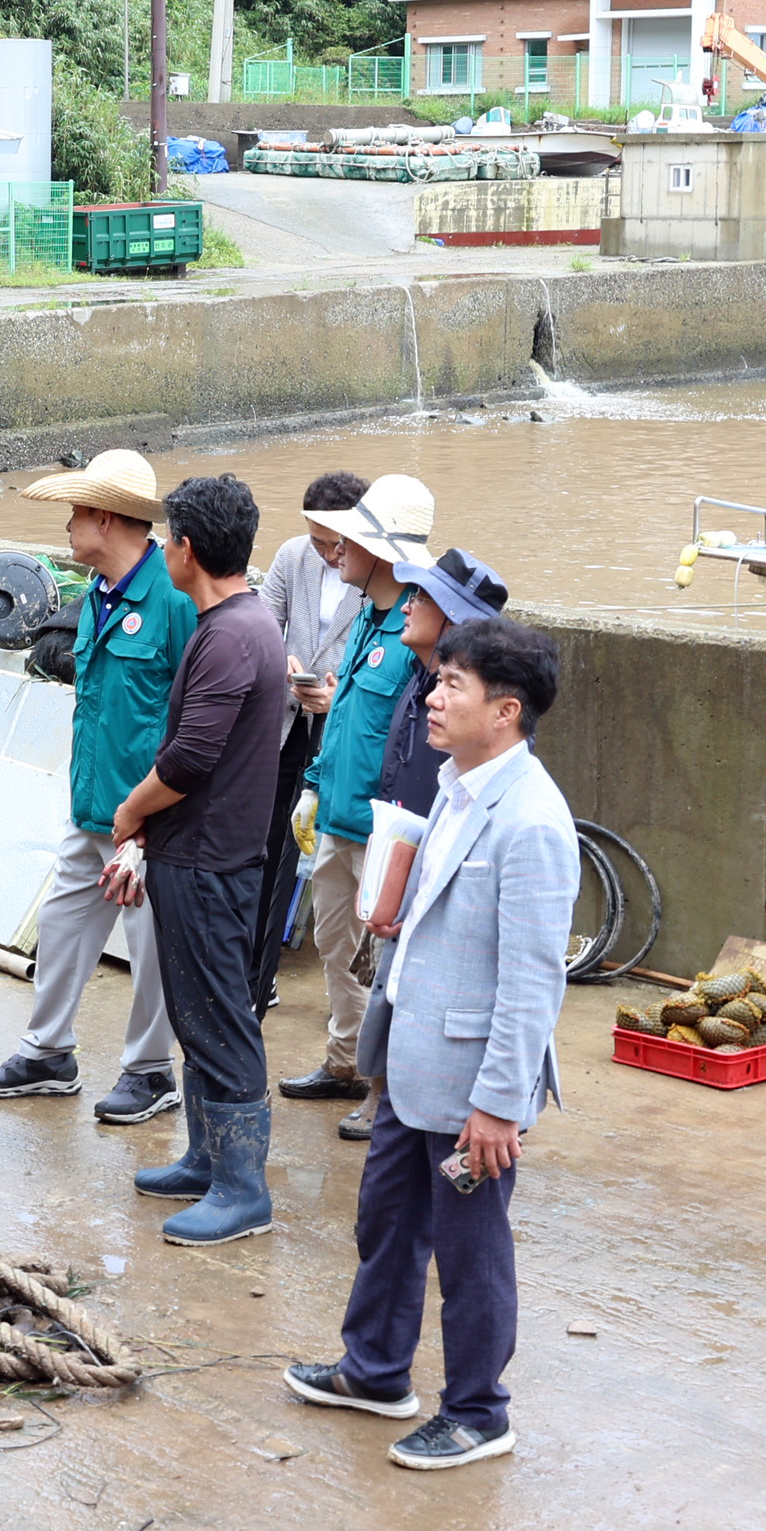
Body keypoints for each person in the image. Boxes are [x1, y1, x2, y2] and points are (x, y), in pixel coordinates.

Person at [286, 615, 577, 1471]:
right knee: (386, 1220)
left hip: (469, 1087)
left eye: (455, 685)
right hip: (408, 1062)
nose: (435, 697)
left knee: (471, 1252)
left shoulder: (531, 822)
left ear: (508, 710)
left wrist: (497, 1105)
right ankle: (375, 1370)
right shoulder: (456, 786)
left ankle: (480, 1411)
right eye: (437, 680)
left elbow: (531, 983)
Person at [0, 452, 198, 1123]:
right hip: (93, 804)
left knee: (153, 945)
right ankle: (47, 1051)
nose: (68, 527)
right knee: (64, 925)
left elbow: (197, 716)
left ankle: (152, 1071)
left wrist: (158, 818)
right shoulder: (97, 595)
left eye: (76, 514)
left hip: (150, 816)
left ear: (104, 516)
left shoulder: (173, 599)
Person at [105, 475, 293, 1244]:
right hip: (198, 851)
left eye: (167, 538)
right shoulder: (236, 623)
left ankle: (243, 1188)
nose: (163, 550)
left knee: (220, 1016)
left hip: (213, 861)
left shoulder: (230, 634)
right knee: (194, 1009)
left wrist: (129, 811)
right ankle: (206, 1159)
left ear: (184, 549)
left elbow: (189, 758)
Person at [339, 548, 513, 1144]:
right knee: (385, 976)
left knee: (414, 985)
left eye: (424, 598)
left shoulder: (471, 714)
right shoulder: (422, 681)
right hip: (398, 842)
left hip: (434, 863)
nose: (408, 602)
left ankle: (399, 1098)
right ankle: (381, 1092)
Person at [280, 474, 438, 1112]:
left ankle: (385, 1087)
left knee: (385, 966)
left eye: (350, 541)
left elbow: (416, 747)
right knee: (337, 949)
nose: (336, 552)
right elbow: (345, 721)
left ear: (384, 553)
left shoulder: (416, 631)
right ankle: (344, 1061)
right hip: (339, 819)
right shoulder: (373, 621)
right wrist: (313, 786)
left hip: (383, 832)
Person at [250, 474, 370, 1010]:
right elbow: (262, 625)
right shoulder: (293, 556)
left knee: (329, 856)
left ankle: (348, 995)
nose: (325, 553)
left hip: (338, 724)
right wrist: (285, 666)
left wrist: (337, 690)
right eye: (317, 540)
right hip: (285, 718)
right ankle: (258, 973)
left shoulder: (374, 572)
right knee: (268, 842)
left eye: (334, 544)